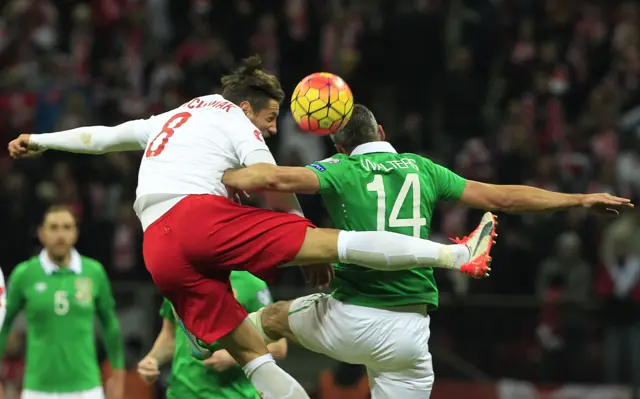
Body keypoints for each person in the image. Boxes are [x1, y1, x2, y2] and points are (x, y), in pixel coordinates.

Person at [8, 56, 501, 399]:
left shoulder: (170, 116)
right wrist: (309, 244)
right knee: (339, 243)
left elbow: (105, 137)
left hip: (158, 247)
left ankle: (208, 336)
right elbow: (273, 183)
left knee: (254, 357)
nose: (269, 128)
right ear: (247, 106)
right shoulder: (234, 119)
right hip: (197, 218)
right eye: (269, 118)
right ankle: (456, 255)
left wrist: (42, 140)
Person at [220, 104, 635, 399]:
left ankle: (212, 345)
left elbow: (273, 180)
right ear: (381, 132)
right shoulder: (425, 169)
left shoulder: (340, 169)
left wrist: (224, 172)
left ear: (338, 146)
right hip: (411, 335)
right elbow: (503, 198)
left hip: (352, 317)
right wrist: (577, 200)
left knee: (269, 319)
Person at [0, 205, 125, 399]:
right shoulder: (24, 274)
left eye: (67, 227)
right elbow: (3, 324)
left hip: (87, 387)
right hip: (37, 389)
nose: (60, 234)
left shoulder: (94, 272)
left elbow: (110, 324)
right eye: (54, 227)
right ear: (41, 233)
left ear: (76, 233)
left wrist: (118, 373)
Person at [137, 271, 287, 398]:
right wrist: (152, 360)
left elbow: (279, 346)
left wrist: (233, 356)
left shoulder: (250, 283)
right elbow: (170, 336)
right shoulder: (178, 280)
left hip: (232, 395)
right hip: (181, 393)